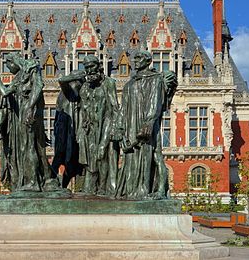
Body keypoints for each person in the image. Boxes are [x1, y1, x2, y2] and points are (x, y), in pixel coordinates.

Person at [115, 51, 177, 200]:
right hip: (131, 127)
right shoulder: (129, 85)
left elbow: (155, 104)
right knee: (131, 160)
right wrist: (119, 129)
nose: (135, 61)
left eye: (139, 58)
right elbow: (123, 109)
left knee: (156, 157)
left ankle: (159, 190)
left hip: (148, 126)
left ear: (148, 61)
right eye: (134, 58)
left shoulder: (156, 80)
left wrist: (148, 123)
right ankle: (133, 191)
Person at [0, 53, 48, 192]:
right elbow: (5, 92)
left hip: (29, 113)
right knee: (26, 148)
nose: (9, 70)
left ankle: (33, 182)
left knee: (29, 147)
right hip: (22, 114)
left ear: (13, 62)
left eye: (8, 66)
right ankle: (35, 179)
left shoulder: (32, 66)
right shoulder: (18, 78)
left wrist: (30, 107)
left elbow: (39, 86)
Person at [77, 55, 119, 195]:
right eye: (86, 68)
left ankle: (103, 189)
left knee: (102, 155)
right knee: (90, 161)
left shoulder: (108, 83)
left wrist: (106, 138)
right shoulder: (85, 86)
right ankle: (90, 189)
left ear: (99, 66)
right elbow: (82, 111)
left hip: (105, 126)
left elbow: (114, 109)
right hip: (89, 130)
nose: (89, 70)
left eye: (92, 66)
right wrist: (80, 131)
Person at [49, 70, 85, 188]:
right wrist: (75, 75)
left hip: (76, 131)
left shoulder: (81, 95)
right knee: (60, 156)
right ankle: (50, 182)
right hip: (64, 131)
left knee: (73, 162)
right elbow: (61, 81)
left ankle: (63, 186)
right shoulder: (67, 91)